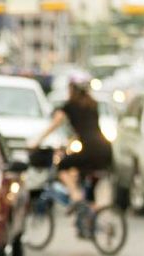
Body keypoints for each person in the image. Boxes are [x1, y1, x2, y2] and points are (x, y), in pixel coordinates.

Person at [29, 71, 113, 236]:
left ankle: (75, 197)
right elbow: (85, 129)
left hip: (90, 150)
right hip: (104, 149)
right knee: (87, 186)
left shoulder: (69, 106)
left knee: (62, 166)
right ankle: (87, 221)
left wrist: (36, 141)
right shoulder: (92, 104)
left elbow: (54, 125)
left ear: (71, 89)